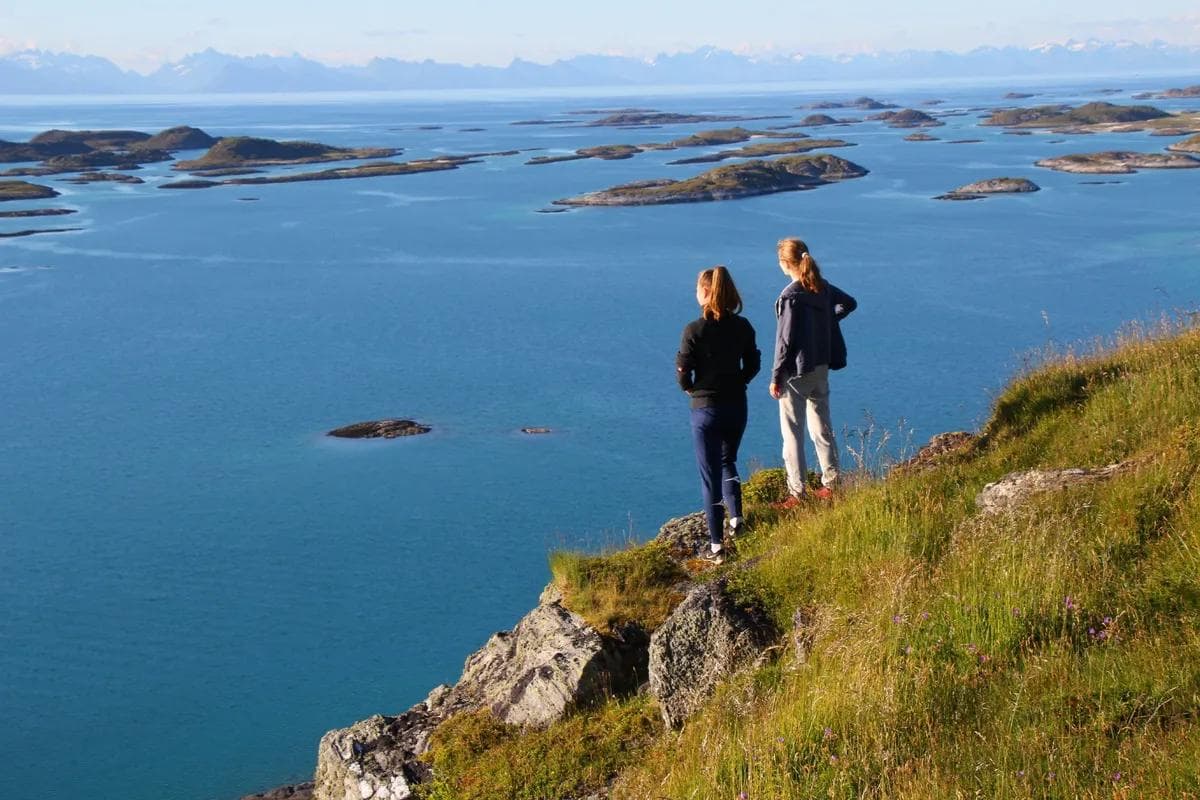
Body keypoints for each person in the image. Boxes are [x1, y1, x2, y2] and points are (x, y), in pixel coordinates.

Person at [676, 266, 761, 564]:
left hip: (705, 409)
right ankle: (737, 520)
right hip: (736, 404)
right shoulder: (743, 326)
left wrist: (690, 389)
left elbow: (683, 371)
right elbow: (753, 363)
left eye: (697, 287)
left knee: (708, 475)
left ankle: (716, 547)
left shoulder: (693, 330)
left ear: (705, 293)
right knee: (729, 460)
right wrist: (740, 381)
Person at [770, 238, 857, 507]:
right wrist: (827, 322)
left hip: (796, 372)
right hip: (820, 366)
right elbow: (849, 303)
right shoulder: (822, 287)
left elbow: (784, 341)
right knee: (822, 427)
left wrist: (776, 376)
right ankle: (831, 483)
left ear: (786, 263)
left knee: (792, 432)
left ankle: (797, 492)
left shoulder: (790, 296)